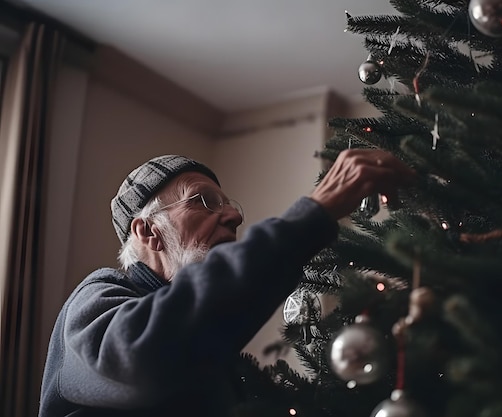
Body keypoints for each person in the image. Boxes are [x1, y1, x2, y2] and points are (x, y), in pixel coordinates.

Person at [38, 149, 416, 417]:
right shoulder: (98, 297)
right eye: (203, 201)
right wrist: (313, 215)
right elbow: (140, 362)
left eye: (228, 204)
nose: (234, 215)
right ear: (149, 231)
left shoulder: (209, 344)